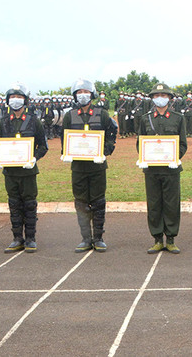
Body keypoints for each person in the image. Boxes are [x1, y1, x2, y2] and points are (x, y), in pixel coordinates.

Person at [61, 79, 117, 253]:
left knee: (98, 202)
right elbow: (64, 138)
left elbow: (111, 134)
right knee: (81, 203)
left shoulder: (102, 114)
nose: (82, 95)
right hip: (78, 168)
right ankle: (85, 238)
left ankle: (98, 237)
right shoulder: (70, 115)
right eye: (79, 92)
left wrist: (105, 152)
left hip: (97, 167)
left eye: (85, 92)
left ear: (91, 94)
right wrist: (67, 152)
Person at [0, 83, 48, 253]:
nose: (15, 101)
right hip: (10, 172)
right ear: (7, 101)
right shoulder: (2, 123)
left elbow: (43, 146)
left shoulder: (34, 122)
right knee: (14, 204)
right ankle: (17, 238)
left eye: (19, 97)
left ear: (25, 101)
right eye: (12, 98)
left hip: (28, 171)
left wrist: (33, 158)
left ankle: (30, 238)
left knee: (29, 205)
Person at [136, 83, 188, 254]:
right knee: (154, 204)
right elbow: (140, 142)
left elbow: (182, 144)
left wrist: (175, 157)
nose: (160, 98)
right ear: (152, 98)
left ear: (170, 99)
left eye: (164, 95)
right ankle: (157, 239)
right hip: (152, 170)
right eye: (157, 95)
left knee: (172, 204)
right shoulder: (145, 118)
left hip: (171, 170)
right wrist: (145, 157)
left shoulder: (178, 118)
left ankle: (171, 239)